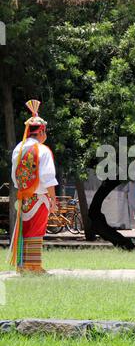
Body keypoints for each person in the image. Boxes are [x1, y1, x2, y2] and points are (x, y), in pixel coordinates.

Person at [10, 100, 58, 274]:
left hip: (24, 196)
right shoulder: (42, 150)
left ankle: (23, 266)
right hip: (39, 197)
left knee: (25, 230)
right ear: (42, 132)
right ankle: (34, 267)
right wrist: (53, 199)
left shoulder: (18, 149)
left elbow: (15, 176)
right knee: (36, 231)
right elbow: (48, 177)